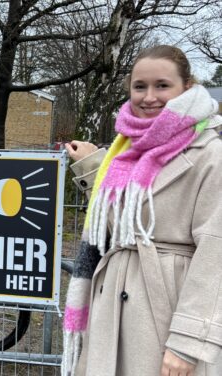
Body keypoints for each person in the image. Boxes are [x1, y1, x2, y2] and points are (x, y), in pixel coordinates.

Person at [61, 45, 222, 376]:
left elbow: (215, 253)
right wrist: (95, 165)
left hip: (166, 312)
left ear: (187, 88)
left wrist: (187, 343)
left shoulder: (210, 154)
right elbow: (119, 220)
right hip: (110, 310)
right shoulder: (125, 149)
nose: (150, 97)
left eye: (162, 85)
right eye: (140, 86)